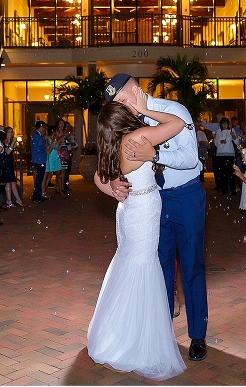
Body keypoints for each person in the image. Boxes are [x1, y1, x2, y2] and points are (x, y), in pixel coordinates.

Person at [104, 73, 208, 362]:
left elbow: (191, 159)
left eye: (123, 99)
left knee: (192, 265)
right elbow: (112, 159)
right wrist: (113, 181)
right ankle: (161, 333)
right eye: (117, 103)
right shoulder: (128, 122)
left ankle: (197, 335)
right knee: (159, 266)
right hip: (154, 202)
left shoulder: (174, 111)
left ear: (136, 90)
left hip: (186, 196)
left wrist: (155, 155)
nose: (122, 106)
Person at [88, 91, 187, 380]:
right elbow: (178, 123)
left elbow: (97, 177)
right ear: (122, 118)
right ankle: (136, 342)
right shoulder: (136, 137)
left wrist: (113, 190)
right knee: (142, 267)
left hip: (128, 210)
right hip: (142, 211)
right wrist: (146, 109)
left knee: (129, 264)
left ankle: (121, 332)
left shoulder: (114, 144)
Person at [212, 117, 238, 195]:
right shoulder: (218, 131)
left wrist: (233, 136)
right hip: (220, 154)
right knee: (222, 172)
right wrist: (219, 141)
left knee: (230, 172)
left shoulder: (232, 130)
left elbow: (237, 142)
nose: (225, 126)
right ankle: (224, 190)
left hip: (229, 154)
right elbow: (216, 143)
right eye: (223, 124)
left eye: (226, 124)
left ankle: (233, 190)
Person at [1, 126, 24, 207]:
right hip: (6, 163)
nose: (11, 133)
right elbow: (7, 152)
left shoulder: (10, 141)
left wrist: (13, 143)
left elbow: (13, 149)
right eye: (9, 132)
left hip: (9, 162)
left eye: (11, 132)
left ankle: (9, 200)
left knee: (10, 182)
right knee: (11, 181)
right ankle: (17, 200)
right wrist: (12, 144)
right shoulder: (4, 142)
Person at [30, 121, 48, 203]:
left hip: (39, 158)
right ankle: (36, 196)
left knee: (39, 178)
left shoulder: (36, 135)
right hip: (39, 159)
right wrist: (45, 141)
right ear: (40, 127)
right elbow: (42, 145)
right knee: (39, 178)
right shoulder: (37, 135)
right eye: (43, 127)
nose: (44, 129)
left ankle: (38, 195)